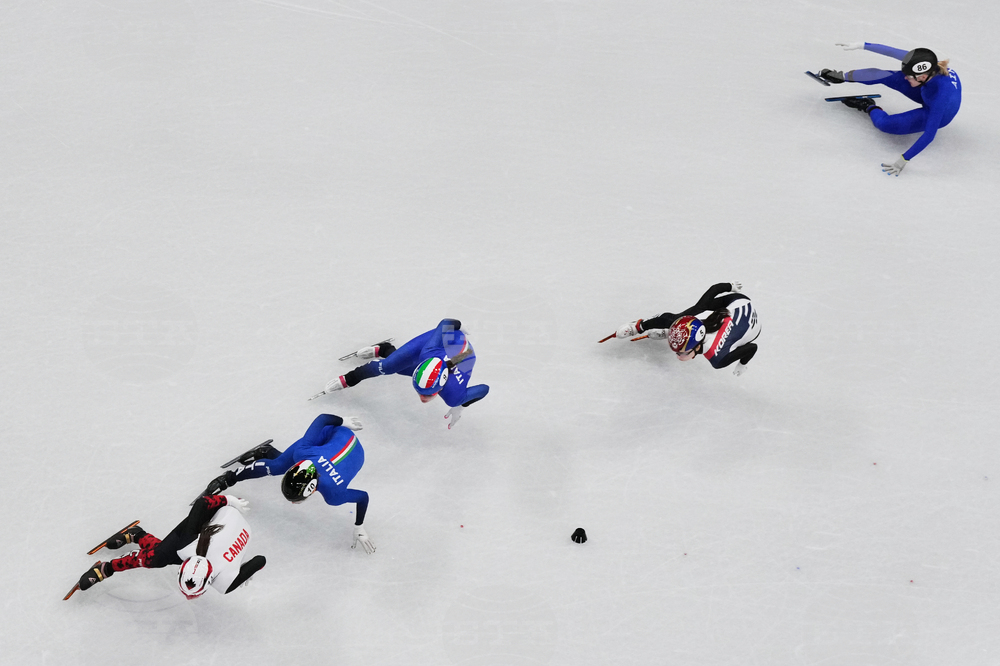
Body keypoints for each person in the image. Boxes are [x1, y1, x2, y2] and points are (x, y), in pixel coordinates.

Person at [203, 413, 376, 554]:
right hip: (333, 436)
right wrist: (343, 421)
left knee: (281, 463)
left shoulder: (334, 494)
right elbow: (322, 419)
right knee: (278, 466)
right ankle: (231, 477)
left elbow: (363, 497)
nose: (293, 502)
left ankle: (267, 453)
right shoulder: (304, 453)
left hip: (343, 443)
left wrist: (359, 526)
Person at [76, 494, 264, 599]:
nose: (188, 597)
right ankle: (107, 568)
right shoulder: (187, 545)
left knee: (163, 555)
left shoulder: (226, 583)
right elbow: (201, 504)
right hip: (216, 518)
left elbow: (260, 561)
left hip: (232, 526)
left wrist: (242, 571)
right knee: (155, 559)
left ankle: (137, 535)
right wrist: (229, 501)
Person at [816, 42, 961, 175]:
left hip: (938, 112)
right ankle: (840, 77)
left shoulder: (941, 96)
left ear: (922, 77)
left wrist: (904, 160)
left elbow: (929, 135)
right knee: (887, 76)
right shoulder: (925, 63)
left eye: (909, 76)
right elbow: (891, 52)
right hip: (926, 91)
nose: (905, 78)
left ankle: (869, 105)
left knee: (885, 124)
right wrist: (861, 45)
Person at [321, 318, 489, 429]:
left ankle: (386, 349)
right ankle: (386, 350)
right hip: (445, 341)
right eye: (419, 391)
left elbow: (484, 389)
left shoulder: (453, 394)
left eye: (428, 394)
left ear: (440, 388)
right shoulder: (428, 351)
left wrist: (460, 404)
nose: (422, 398)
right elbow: (446, 323)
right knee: (388, 367)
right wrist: (349, 379)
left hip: (465, 355)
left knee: (399, 368)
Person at [609, 282, 759, 376]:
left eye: (681, 352)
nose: (678, 356)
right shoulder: (698, 313)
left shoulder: (718, 359)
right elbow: (714, 289)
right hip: (736, 302)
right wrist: (730, 286)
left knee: (727, 341)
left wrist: (742, 364)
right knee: (676, 318)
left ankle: (669, 331)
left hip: (751, 324)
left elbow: (752, 347)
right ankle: (638, 326)